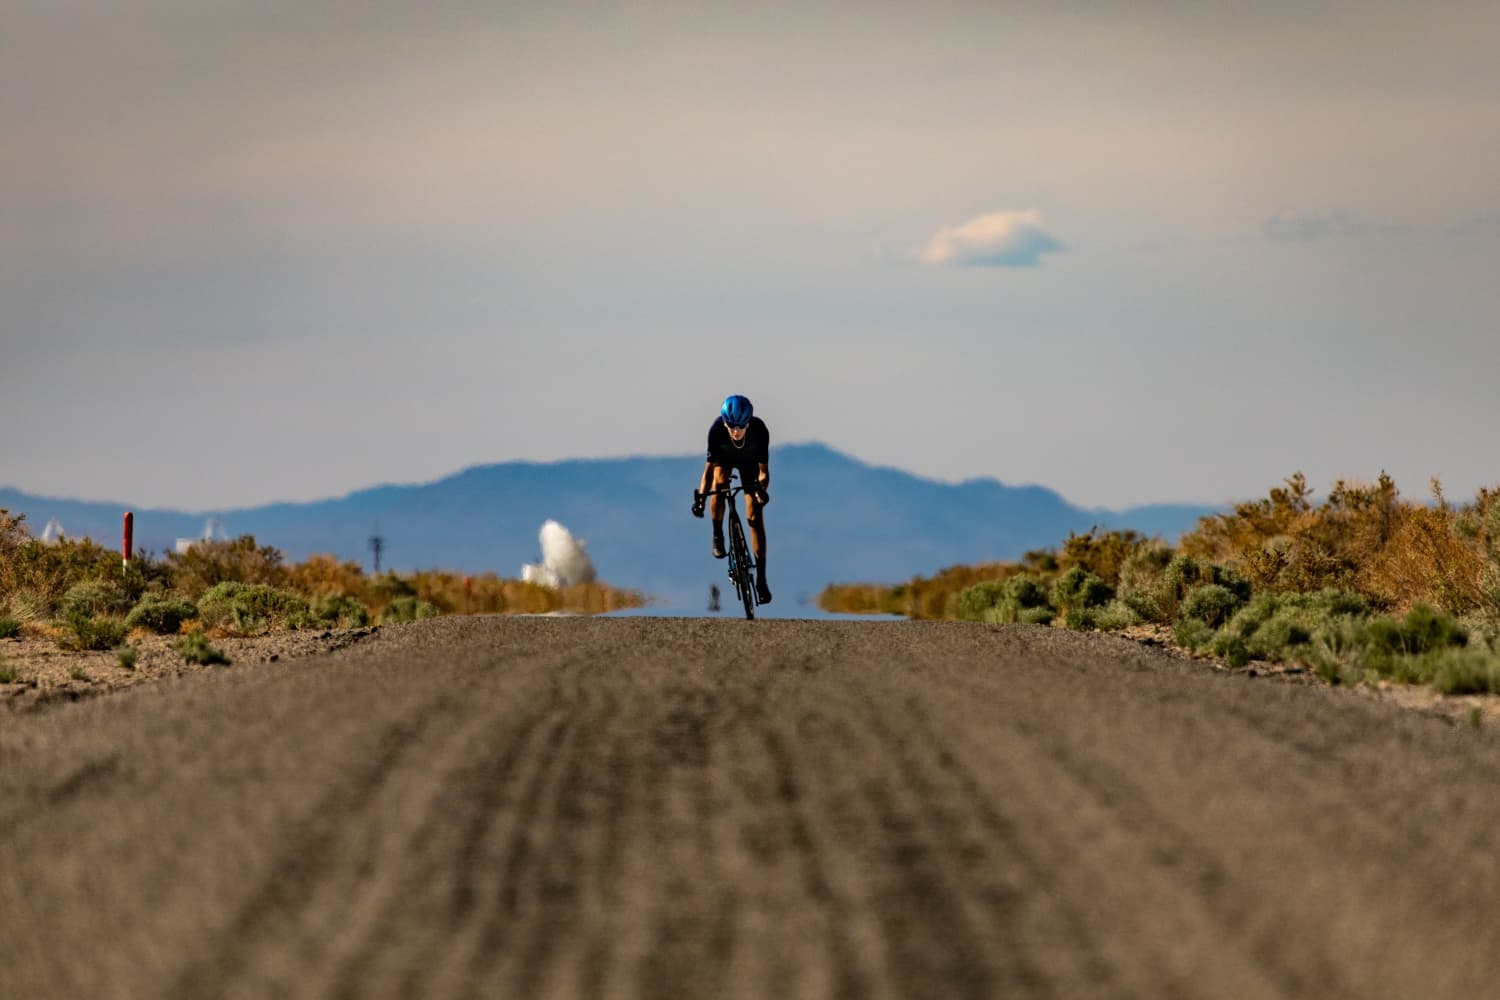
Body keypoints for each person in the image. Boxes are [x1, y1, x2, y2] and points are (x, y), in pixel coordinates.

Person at [692, 394, 772, 604]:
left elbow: (764, 473)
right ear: (724, 422)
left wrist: (759, 491)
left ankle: (761, 580)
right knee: (718, 483)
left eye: (740, 426)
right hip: (724, 462)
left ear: (748, 423)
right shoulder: (717, 430)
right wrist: (700, 497)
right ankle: (718, 535)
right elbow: (708, 471)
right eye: (731, 425)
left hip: (750, 467)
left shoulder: (760, 431)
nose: (735, 431)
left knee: (755, 517)